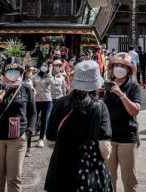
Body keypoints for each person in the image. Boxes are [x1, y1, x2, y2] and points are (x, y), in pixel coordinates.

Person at [45, 60, 113, 192]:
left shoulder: (60, 103)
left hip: (60, 170)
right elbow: (104, 146)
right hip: (88, 172)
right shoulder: (99, 106)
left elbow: (50, 141)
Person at [0, 57, 36, 192]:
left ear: (20, 71)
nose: (13, 72)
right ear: (4, 71)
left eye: (16, 70)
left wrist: (28, 132)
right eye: (10, 70)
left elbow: (33, 113)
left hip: (18, 140)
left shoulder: (26, 89)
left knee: (14, 178)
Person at [103, 53, 141, 192]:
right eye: (116, 65)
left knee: (129, 180)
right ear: (112, 68)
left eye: (123, 66)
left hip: (127, 138)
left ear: (129, 69)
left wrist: (121, 94)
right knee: (108, 179)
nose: (119, 68)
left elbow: (134, 111)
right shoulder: (106, 85)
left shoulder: (134, 87)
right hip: (108, 137)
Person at [32, 64, 53, 149]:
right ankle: (35, 129)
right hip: (37, 100)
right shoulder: (35, 76)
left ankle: (41, 139)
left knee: (44, 119)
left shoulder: (49, 76)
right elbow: (32, 86)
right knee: (35, 117)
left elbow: (51, 82)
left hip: (47, 100)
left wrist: (50, 72)